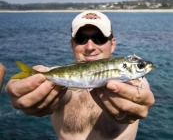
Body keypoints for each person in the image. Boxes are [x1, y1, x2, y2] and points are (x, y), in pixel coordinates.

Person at [5, 11, 155, 140]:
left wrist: (137, 103)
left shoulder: (134, 82)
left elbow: (141, 90)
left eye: (99, 38)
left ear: (113, 43)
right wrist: (32, 82)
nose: (90, 47)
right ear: (72, 44)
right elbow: (63, 95)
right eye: (81, 38)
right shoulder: (62, 77)